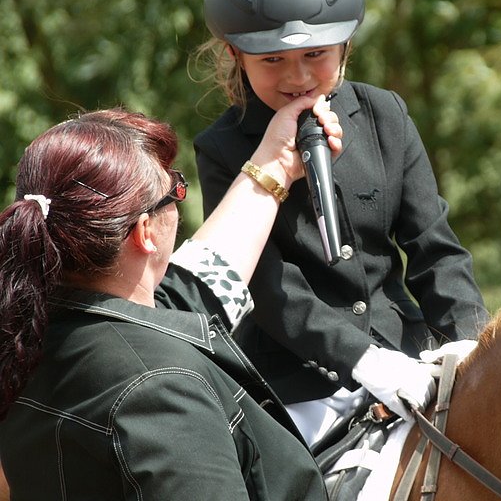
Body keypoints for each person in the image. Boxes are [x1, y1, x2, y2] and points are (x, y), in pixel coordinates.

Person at [194, 0, 490, 446]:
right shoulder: (222, 149)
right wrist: (362, 358)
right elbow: (265, 286)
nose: (299, 78)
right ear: (236, 54)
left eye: (315, 55)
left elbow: (434, 248)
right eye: (273, 61)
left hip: (411, 359)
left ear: (345, 45)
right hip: (300, 387)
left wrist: (469, 342)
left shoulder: (385, 115)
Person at [0, 96, 340, 500]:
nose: (182, 198)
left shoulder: (28, 338)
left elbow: (198, 286)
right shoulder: (161, 390)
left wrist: (278, 164)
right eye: (176, 189)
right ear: (145, 231)